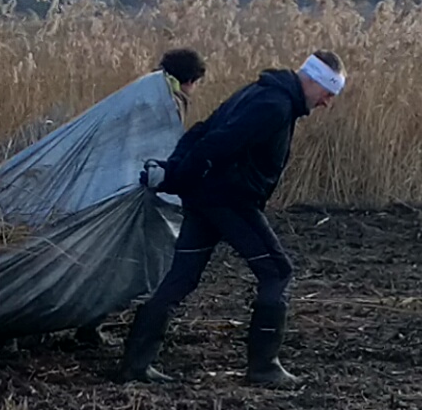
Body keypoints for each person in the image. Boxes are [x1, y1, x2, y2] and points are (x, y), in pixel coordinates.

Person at [118, 49, 345, 386]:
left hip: (206, 199)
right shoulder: (274, 105)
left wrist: (174, 173)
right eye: (328, 92)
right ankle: (264, 367)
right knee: (277, 272)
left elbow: (201, 130)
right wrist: (177, 176)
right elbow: (215, 143)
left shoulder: (259, 92)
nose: (327, 102)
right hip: (229, 202)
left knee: (181, 278)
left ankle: (136, 365)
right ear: (312, 80)